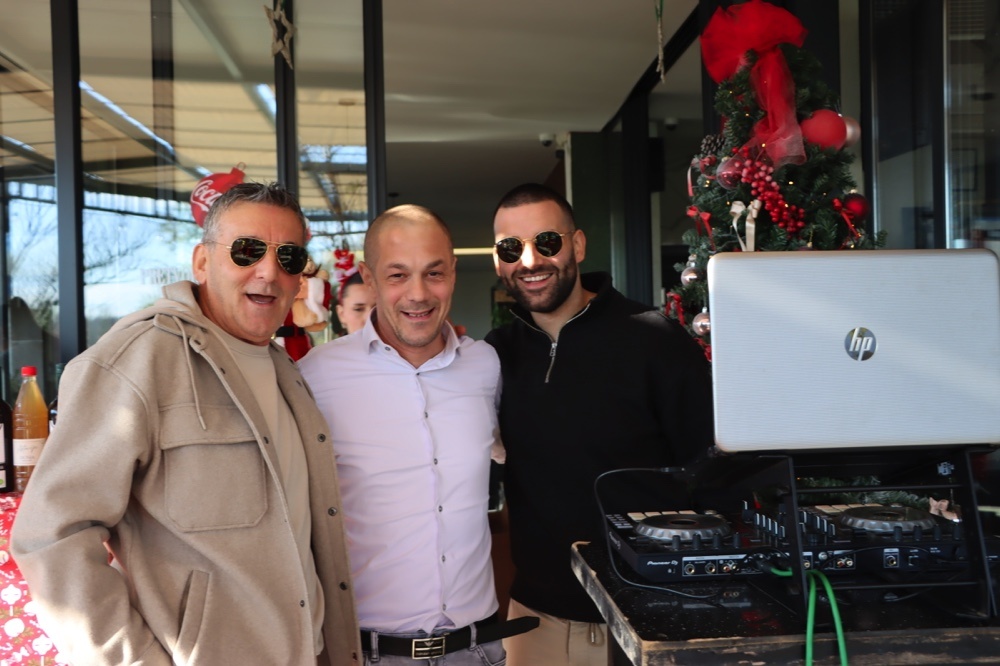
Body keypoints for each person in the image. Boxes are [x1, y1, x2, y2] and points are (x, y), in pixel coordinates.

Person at [11, 182, 361, 666]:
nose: (268, 271)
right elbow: (52, 537)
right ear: (201, 261)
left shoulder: (286, 370)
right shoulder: (135, 361)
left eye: (289, 256)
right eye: (247, 250)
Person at [485, 183, 715, 666]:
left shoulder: (654, 340)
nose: (529, 261)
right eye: (510, 248)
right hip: (536, 619)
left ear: (578, 245)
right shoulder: (495, 355)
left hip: (652, 613)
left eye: (547, 242)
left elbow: (709, 473)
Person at [299, 204, 536, 665]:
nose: (418, 294)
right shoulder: (315, 377)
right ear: (368, 278)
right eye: (397, 275)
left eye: (434, 273)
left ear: (453, 272)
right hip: (369, 653)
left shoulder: (486, 366)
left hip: (479, 650)